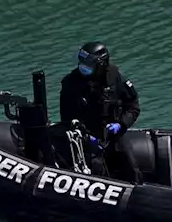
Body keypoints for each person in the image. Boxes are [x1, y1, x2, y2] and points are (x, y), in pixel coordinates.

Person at [58, 41, 143, 183]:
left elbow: (133, 106)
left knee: (131, 169)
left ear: (101, 65)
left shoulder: (115, 77)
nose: (83, 68)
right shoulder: (70, 84)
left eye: (88, 65)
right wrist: (87, 138)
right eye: (82, 63)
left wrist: (121, 124)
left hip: (114, 136)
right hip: (88, 140)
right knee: (97, 174)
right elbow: (66, 119)